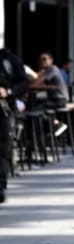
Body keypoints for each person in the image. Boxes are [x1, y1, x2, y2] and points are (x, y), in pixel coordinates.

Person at [0, 47, 29, 204]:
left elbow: (23, 82)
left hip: (3, 109)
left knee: (2, 148)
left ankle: (0, 186)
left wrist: (8, 91)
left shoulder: (9, 59)